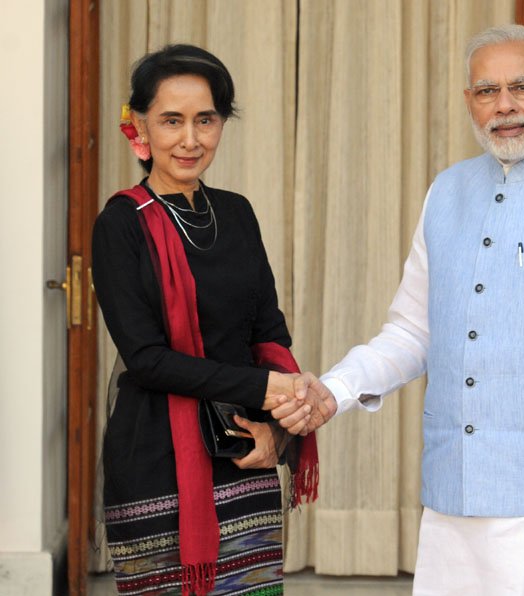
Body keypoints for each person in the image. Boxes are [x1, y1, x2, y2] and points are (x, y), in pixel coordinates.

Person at [284, 24, 524, 596]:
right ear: (469, 101)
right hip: (455, 501)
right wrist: (335, 390)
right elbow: (413, 331)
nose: (505, 106)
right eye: (486, 91)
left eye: (523, 87)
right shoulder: (447, 192)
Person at [92, 44, 319, 596]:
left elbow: (268, 333)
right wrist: (266, 390)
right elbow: (148, 361)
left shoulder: (236, 212)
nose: (190, 139)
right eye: (172, 120)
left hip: (244, 450)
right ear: (139, 126)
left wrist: (275, 429)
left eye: (205, 120)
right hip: (157, 461)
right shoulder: (121, 224)